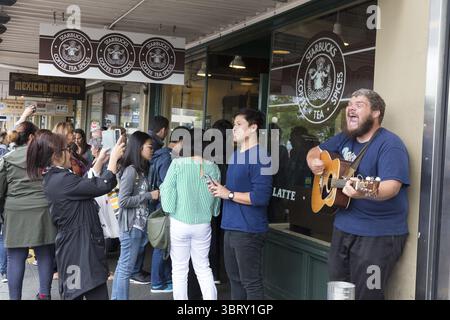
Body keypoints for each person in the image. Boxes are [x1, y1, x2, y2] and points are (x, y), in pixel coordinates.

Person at [306, 88, 409, 300]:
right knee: (338, 292)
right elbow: (315, 151)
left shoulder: (390, 144)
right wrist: (313, 162)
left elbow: (391, 186)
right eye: (349, 105)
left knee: (368, 294)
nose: (350, 108)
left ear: (376, 113)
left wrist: (364, 193)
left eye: (359, 105)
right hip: (343, 229)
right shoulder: (345, 138)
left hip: (378, 237)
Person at [27, 130, 125, 300]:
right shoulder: (60, 180)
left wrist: (100, 161)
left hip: (78, 247)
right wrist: (114, 160)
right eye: (66, 150)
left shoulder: (55, 177)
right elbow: (102, 185)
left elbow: (83, 185)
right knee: (81, 292)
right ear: (56, 156)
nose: (70, 154)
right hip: (79, 249)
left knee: (83, 290)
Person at [209, 109, 273, 300]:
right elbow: (235, 189)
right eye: (234, 124)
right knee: (234, 281)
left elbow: (260, 197)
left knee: (250, 283)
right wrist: (219, 188)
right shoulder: (236, 155)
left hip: (248, 229)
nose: (234, 129)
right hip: (230, 226)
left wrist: (227, 193)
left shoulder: (261, 156)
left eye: (238, 124)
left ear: (253, 128)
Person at [160, 128, 221, 300]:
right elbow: (217, 197)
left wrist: (169, 209)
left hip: (180, 221)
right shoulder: (214, 167)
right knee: (203, 267)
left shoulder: (178, 164)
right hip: (203, 223)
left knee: (179, 269)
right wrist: (213, 211)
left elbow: (167, 190)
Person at [0, 123, 57, 300]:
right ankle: (44, 295)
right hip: (43, 210)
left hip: (15, 212)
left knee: (15, 258)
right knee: (45, 254)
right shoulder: (46, 157)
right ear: (32, 137)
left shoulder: (7, 158)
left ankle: (14, 298)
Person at [111, 131, 159, 300]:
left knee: (123, 266)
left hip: (135, 226)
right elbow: (123, 201)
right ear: (139, 148)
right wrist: (149, 196)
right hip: (131, 226)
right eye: (149, 147)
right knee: (126, 268)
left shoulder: (139, 170)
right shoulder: (131, 171)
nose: (152, 150)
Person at [147, 116, 173, 292]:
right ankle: (158, 281)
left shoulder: (144, 146)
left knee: (157, 241)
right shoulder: (164, 155)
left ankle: (158, 279)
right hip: (161, 203)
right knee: (162, 243)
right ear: (163, 130)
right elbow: (167, 183)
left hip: (149, 201)